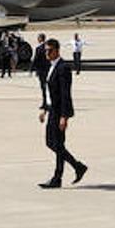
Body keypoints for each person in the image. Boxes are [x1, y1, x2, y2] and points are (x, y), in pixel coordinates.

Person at [38, 38, 86, 188]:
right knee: (53, 143)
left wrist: (64, 117)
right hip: (52, 110)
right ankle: (72, 170)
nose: (47, 53)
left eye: (49, 50)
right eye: (45, 50)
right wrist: (45, 108)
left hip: (59, 112)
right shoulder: (51, 67)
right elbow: (49, 91)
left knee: (56, 144)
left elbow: (65, 94)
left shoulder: (63, 67)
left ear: (57, 51)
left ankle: (65, 173)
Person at [32, 33, 50, 109]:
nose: (37, 39)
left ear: (41, 39)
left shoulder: (39, 48)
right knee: (49, 87)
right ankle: (49, 103)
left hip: (42, 71)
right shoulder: (48, 47)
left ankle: (45, 103)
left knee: (43, 88)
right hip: (48, 70)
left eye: (38, 38)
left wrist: (32, 68)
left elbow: (36, 60)